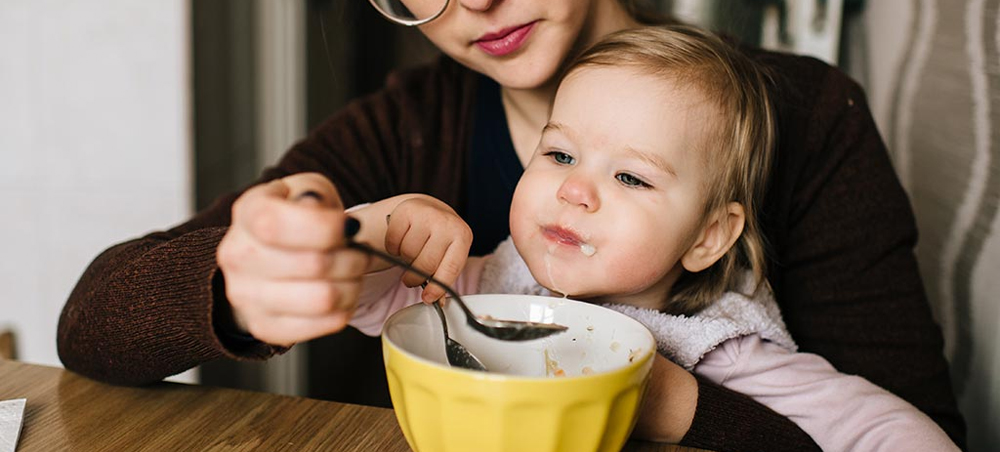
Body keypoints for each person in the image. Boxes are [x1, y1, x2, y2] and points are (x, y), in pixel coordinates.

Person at [56, 0, 966, 450]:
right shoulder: (405, 128)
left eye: (635, 178)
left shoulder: (799, 119)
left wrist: (620, 388)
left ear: (713, 233)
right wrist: (278, 270)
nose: (474, 2)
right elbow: (91, 324)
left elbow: (899, 431)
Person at [342, 25, 960, 451]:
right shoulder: (488, 288)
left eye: (631, 176)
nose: (574, 191)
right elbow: (366, 300)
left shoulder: (718, 347)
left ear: (709, 236)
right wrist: (380, 231)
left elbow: (880, 428)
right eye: (559, 154)